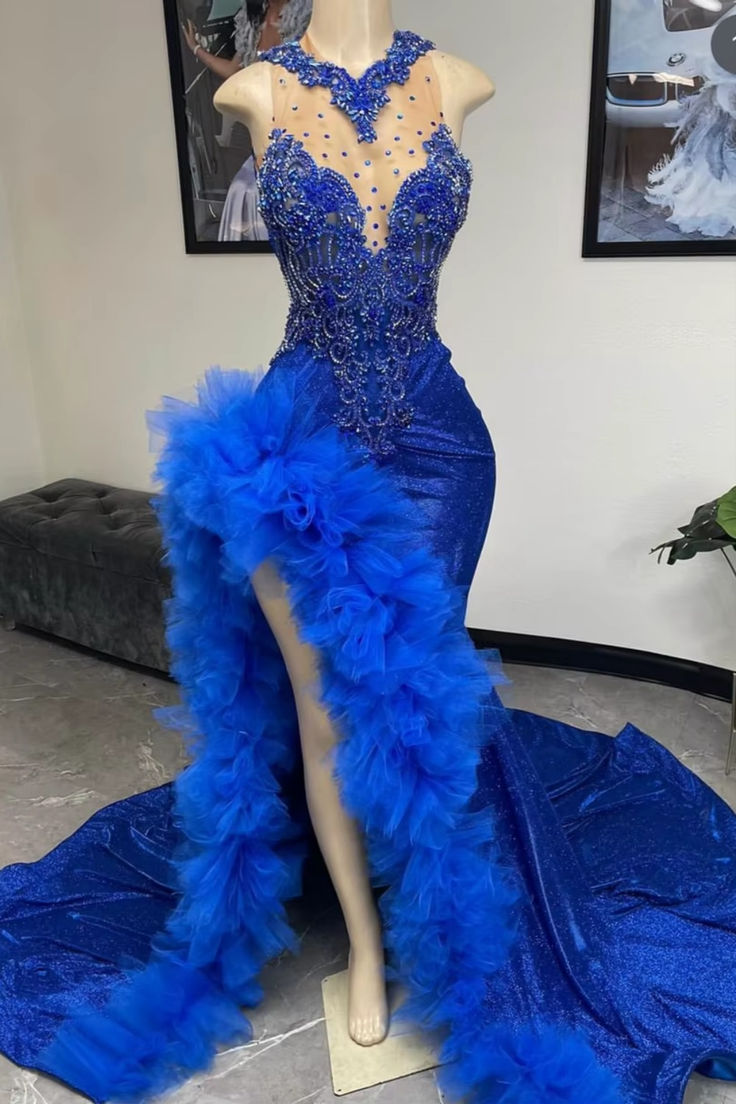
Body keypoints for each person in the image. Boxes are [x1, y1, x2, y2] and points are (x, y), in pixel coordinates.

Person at [2, 4, 736, 1103]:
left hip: (443, 442)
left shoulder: (457, 78)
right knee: (322, 708)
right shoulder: (254, 88)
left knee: (415, 701)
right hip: (297, 448)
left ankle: (437, 911)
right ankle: (366, 942)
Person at [182, 0, 312, 241]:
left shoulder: (307, 16)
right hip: (261, 130)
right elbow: (234, 71)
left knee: (285, 197)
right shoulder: (253, 19)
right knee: (243, 191)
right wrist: (195, 48)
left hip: (298, 127)